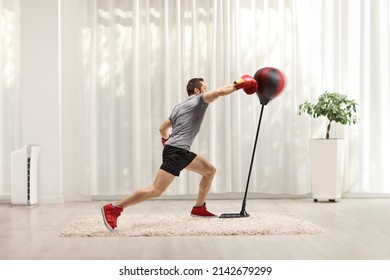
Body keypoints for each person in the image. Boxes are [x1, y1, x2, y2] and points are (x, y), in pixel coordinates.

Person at [101, 75, 258, 231]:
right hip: (177, 151)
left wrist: (166, 141)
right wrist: (239, 84)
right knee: (155, 190)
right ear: (197, 90)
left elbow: (162, 128)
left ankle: (198, 208)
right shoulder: (199, 99)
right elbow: (219, 92)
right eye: (204, 87)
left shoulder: (178, 107)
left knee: (209, 171)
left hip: (179, 151)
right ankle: (114, 208)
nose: (206, 90)